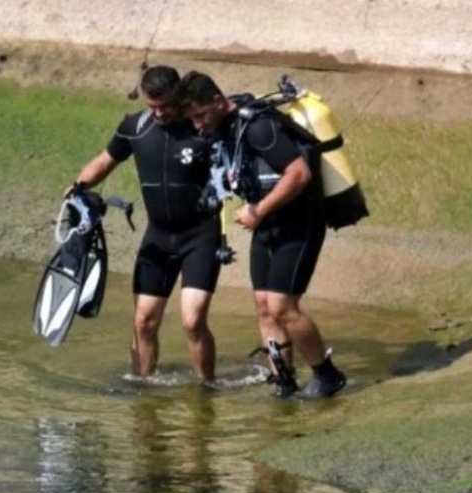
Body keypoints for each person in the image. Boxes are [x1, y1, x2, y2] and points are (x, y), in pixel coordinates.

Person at [177, 71, 347, 399]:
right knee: (263, 307)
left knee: (282, 306)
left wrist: (258, 210)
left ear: (217, 101)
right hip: (268, 226)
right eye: (192, 119)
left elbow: (299, 173)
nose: (198, 125)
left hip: (298, 222)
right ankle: (283, 381)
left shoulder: (258, 127)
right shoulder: (227, 129)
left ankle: (327, 375)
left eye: (201, 115)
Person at [71, 66, 221, 383]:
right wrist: (77, 188)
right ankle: (143, 389)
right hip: (158, 237)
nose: (159, 113)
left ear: (178, 95)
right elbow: (105, 160)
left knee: (193, 321)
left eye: (165, 106)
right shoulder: (135, 127)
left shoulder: (201, 126)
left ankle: (206, 390)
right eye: (152, 106)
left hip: (201, 235)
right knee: (144, 322)